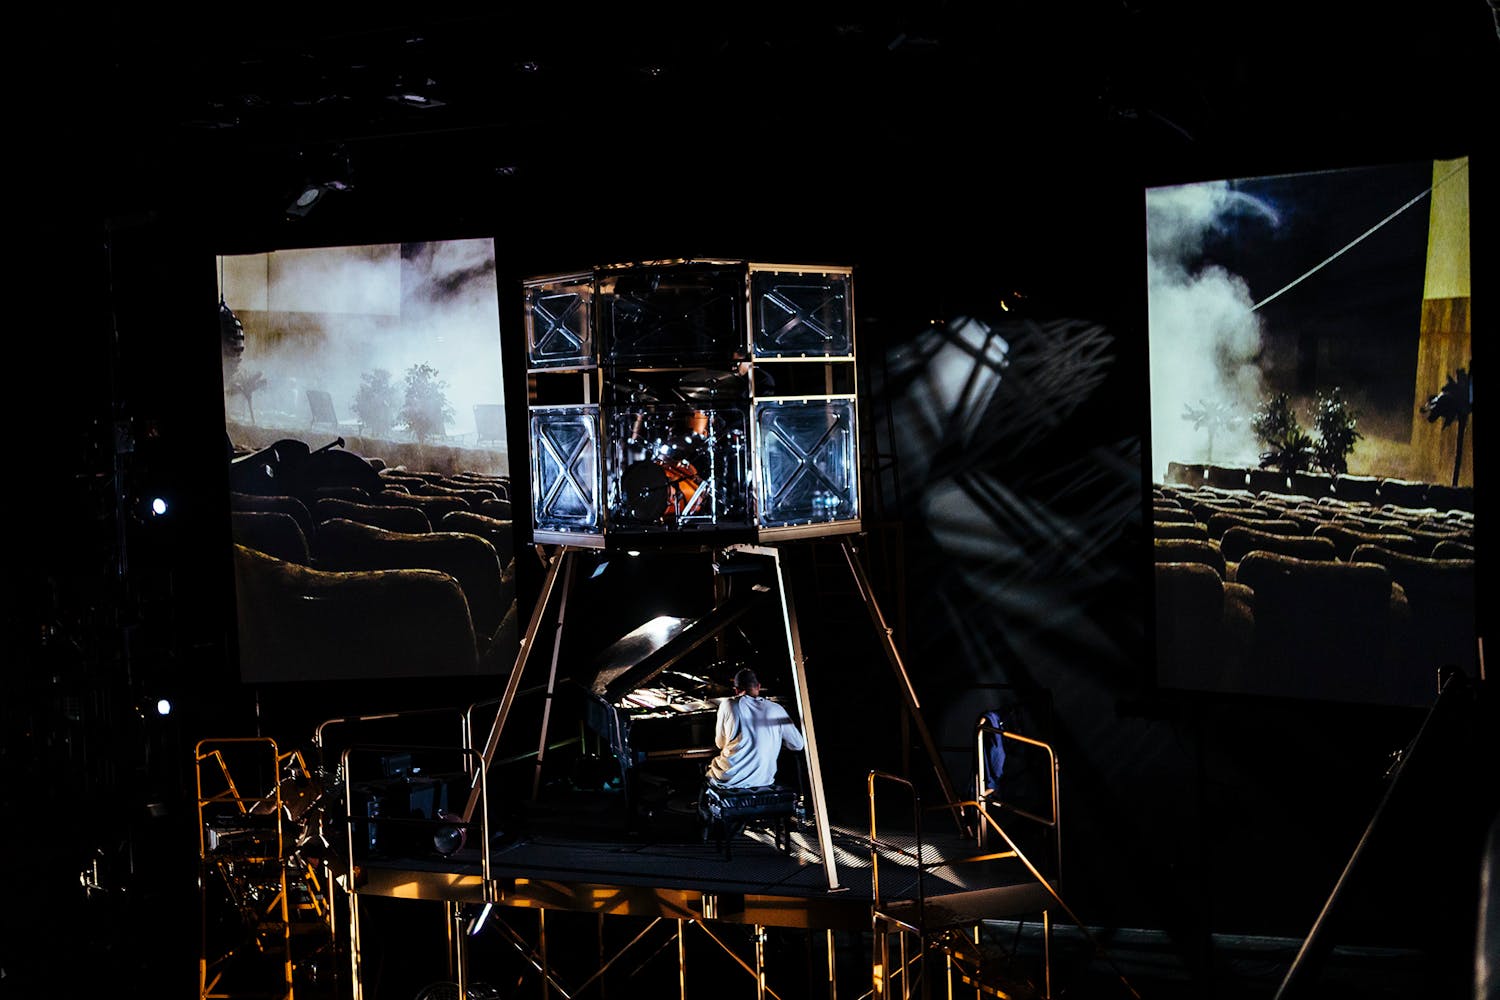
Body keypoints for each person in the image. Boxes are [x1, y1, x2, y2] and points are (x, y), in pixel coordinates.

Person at [705, 667, 805, 789]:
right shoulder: (777, 708)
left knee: (708, 772)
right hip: (763, 780)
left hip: (730, 779)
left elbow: (720, 744)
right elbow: (798, 744)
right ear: (758, 686)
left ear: (736, 690)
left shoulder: (728, 704)